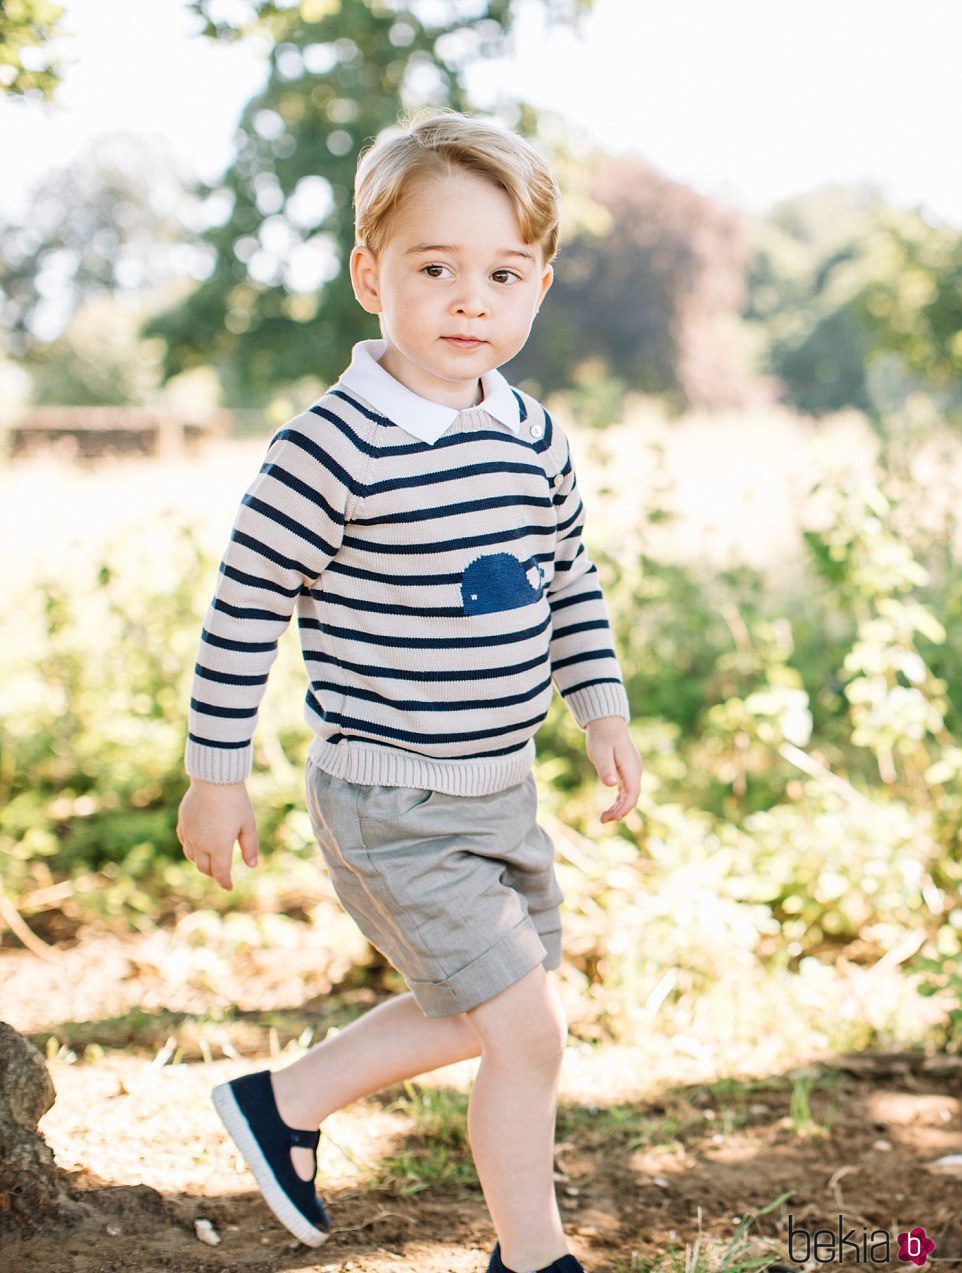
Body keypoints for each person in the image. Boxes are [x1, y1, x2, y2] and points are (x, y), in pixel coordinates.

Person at [176, 106, 643, 1273]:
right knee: (525, 1027)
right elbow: (243, 610)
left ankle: (284, 1101)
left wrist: (602, 709)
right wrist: (212, 776)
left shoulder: (533, 437)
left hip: (500, 790)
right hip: (390, 800)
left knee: (492, 1014)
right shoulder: (327, 447)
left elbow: (568, 581)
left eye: (502, 272)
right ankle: (531, 1258)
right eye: (435, 269)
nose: (469, 300)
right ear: (369, 273)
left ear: (537, 284)